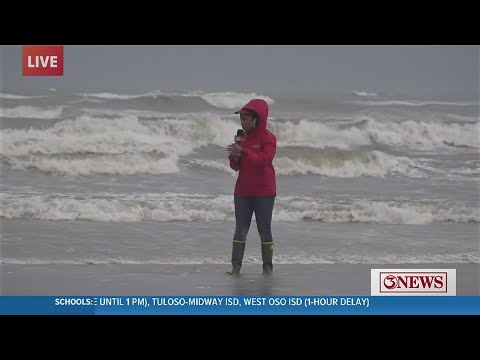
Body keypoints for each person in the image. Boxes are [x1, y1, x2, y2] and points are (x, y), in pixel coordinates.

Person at [226, 98, 277, 276]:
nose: (242, 122)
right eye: (241, 118)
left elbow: (263, 161)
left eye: (245, 118)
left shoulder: (269, 139)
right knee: (240, 229)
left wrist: (244, 152)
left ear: (256, 119)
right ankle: (235, 268)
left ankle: (267, 269)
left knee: (264, 230)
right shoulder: (242, 139)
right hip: (243, 192)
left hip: (264, 192)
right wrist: (234, 156)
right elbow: (235, 167)